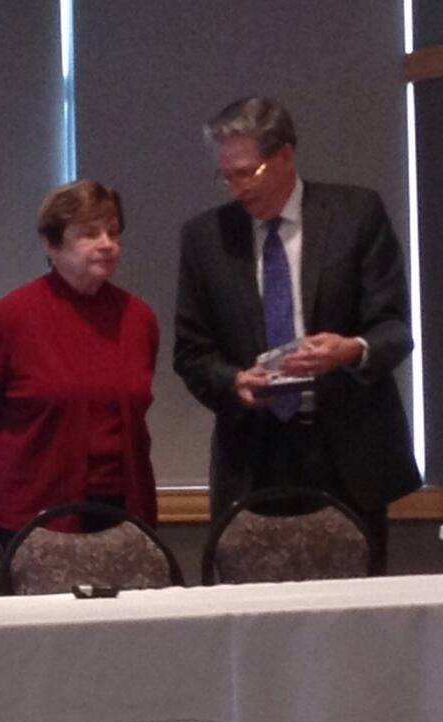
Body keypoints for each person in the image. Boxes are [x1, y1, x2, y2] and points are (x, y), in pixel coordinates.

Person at [174, 96, 421, 575]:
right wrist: (234, 382)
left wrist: (350, 350)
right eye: (227, 175)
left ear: (285, 155)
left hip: (347, 450)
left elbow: (394, 328)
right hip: (254, 453)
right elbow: (192, 350)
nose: (238, 188)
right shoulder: (206, 237)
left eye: (248, 172)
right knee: (255, 621)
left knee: (358, 617)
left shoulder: (355, 214)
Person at [0, 179, 158, 546]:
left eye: (113, 232)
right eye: (89, 233)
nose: (107, 244)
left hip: (123, 513)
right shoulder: (6, 319)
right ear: (52, 244)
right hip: (30, 516)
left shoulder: (138, 318)